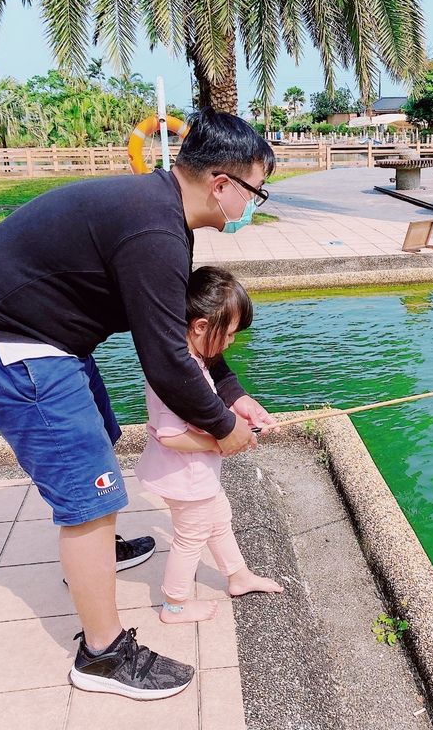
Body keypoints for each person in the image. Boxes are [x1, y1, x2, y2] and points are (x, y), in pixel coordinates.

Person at [0, 108, 277, 701]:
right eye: (256, 191)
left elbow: (178, 329)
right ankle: (101, 655)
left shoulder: (164, 215)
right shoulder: (155, 228)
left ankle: (95, 554)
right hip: (9, 343)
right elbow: (169, 359)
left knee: (103, 437)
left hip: (43, 336)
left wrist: (234, 395)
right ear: (222, 184)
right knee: (91, 497)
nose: (256, 205)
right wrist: (225, 430)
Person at [136, 266, 284, 624]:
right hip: (185, 477)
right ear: (200, 326)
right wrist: (219, 442)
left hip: (193, 474)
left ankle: (238, 576)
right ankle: (174, 604)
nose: (231, 343)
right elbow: (170, 434)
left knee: (219, 519)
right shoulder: (179, 375)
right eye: (229, 334)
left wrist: (239, 408)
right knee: (191, 537)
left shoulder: (191, 358)